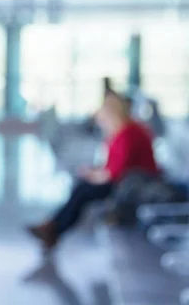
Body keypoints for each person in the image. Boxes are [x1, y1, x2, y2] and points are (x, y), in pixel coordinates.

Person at [27, 91, 158, 250]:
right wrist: (94, 173)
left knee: (83, 190)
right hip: (128, 181)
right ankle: (52, 227)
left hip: (134, 185)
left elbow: (115, 173)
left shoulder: (127, 133)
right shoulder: (122, 131)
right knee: (82, 187)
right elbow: (113, 166)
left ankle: (53, 228)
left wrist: (94, 175)